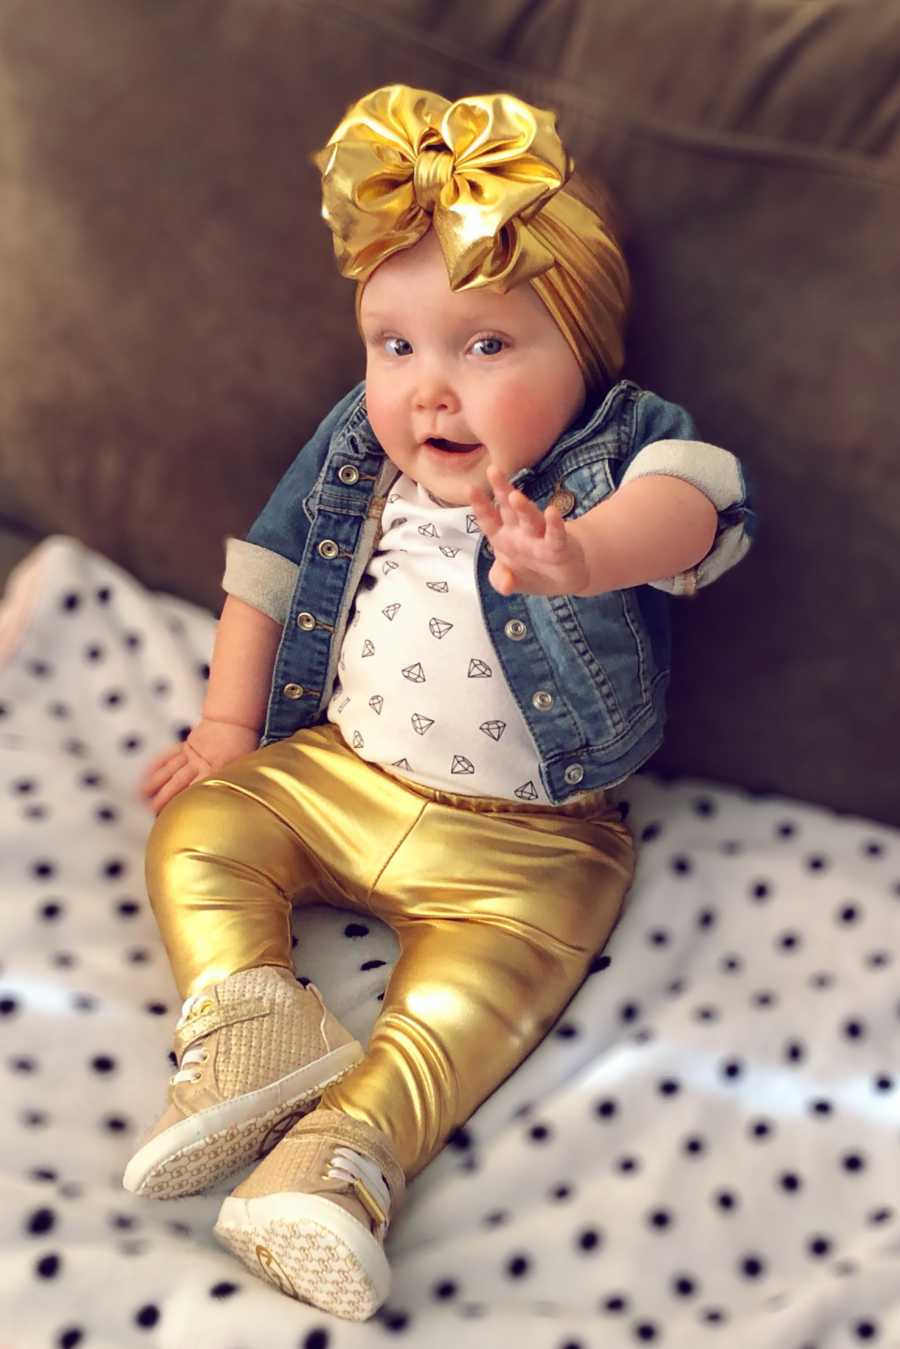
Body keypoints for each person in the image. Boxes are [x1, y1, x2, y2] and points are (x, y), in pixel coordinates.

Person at [123, 85, 755, 1319]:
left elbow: (703, 499)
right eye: (394, 344)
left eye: (486, 344)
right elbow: (266, 573)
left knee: (474, 1000)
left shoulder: (620, 450)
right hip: (338, 771)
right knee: (203, 828)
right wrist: (224, 730)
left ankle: (341, 1158)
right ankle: (251, 1018)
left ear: (585, 350)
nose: (429, 389)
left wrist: (582, 554)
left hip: (529, 842)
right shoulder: (356, 445)